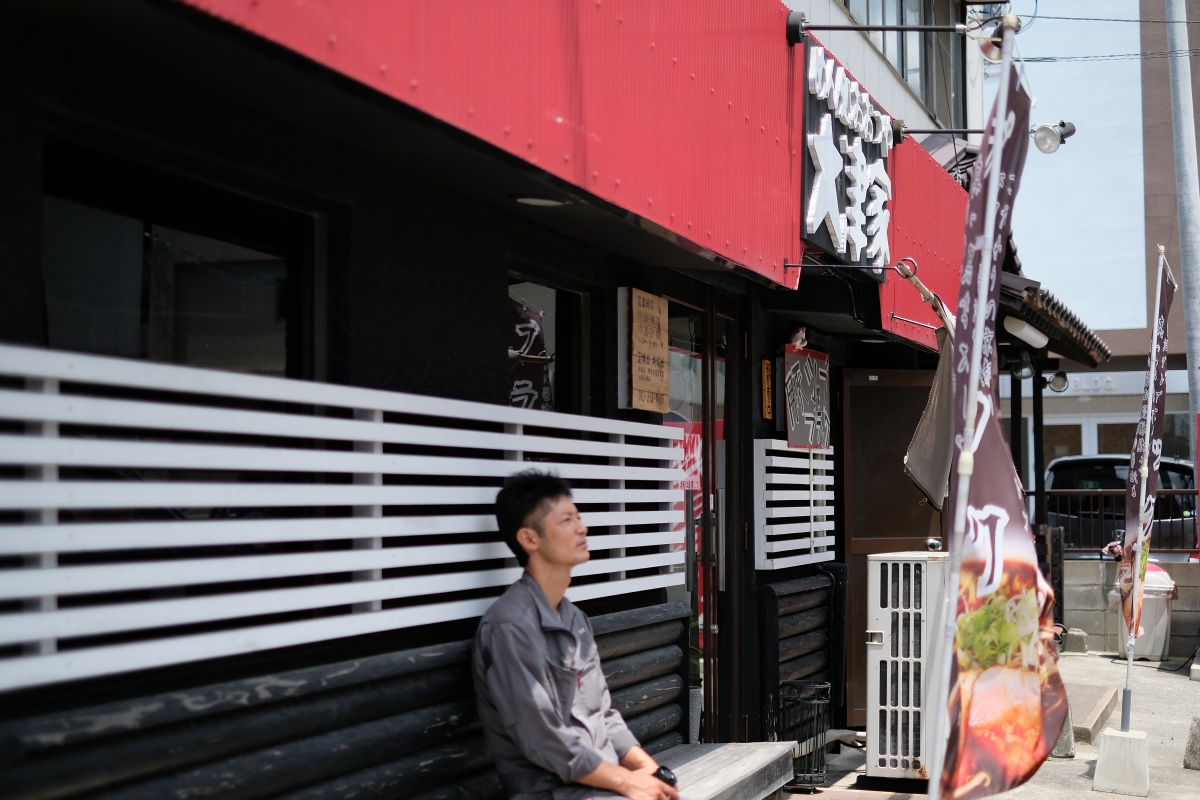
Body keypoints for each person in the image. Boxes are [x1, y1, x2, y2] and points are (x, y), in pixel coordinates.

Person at [472, 470, 680, 800]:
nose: (582, 528)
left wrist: (649, 771)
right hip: (552, 791)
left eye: (578, 517)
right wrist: (628, 783)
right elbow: (542, 738)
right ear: (530, 539)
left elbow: (604, 715)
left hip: (603, 783)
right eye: (567, 519)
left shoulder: (574, 617)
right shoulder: (510, 626)